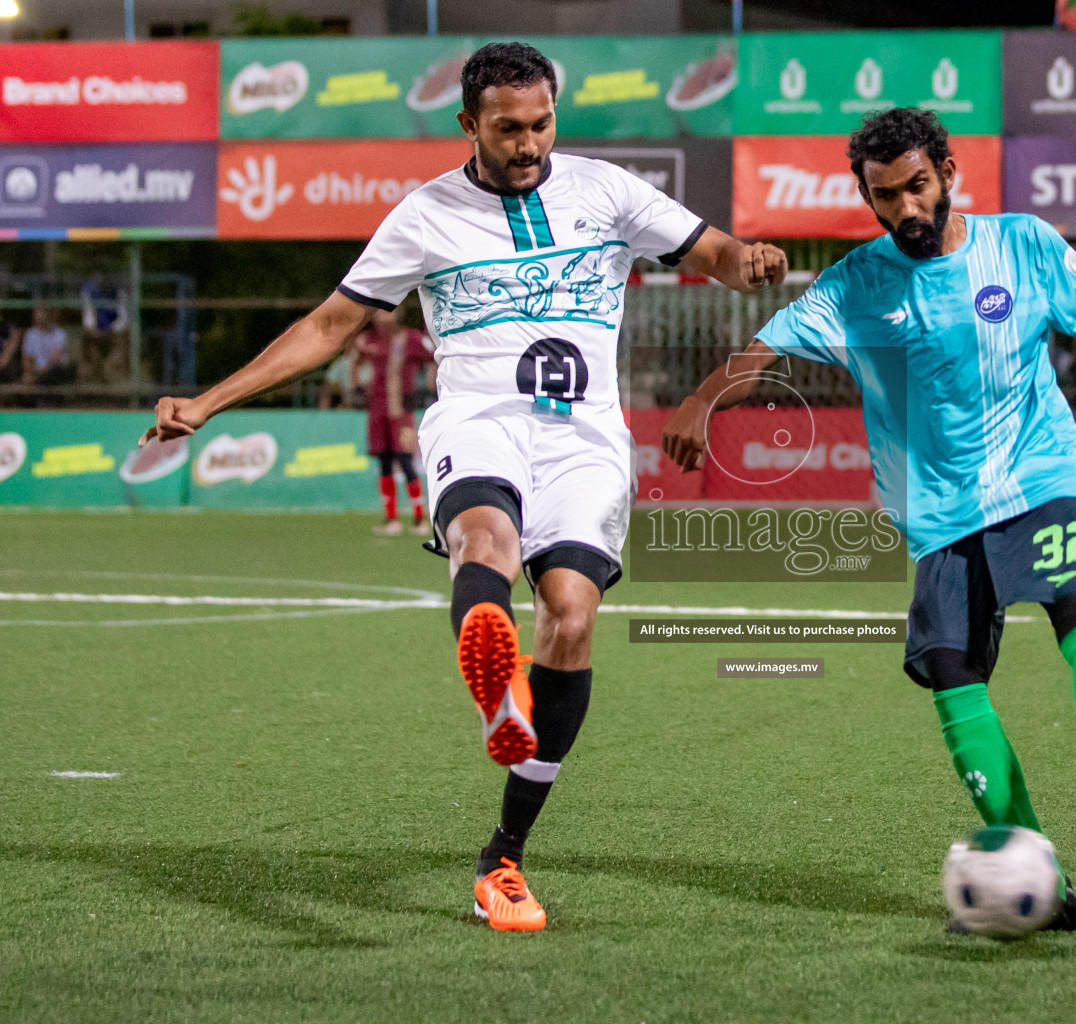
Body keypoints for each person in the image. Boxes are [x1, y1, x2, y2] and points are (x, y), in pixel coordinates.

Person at [142, 41, 787, 933]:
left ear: (556, 113)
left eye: (541, 123)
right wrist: (208, 402)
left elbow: (712, 250)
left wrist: (750, 260)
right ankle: (496, 692)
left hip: (585, 437)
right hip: (479, 419)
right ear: (469, 125)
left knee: (569, 616)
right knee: (486, 541)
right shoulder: (425, 214)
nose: (528, 144)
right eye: (507, 128)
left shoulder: (606, 191)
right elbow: (330, 326)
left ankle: (504, 859)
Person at [662, 108, 1076, 932]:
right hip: (940, 515)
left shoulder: (1024, 245)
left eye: (917, 186)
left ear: (947, 172)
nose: (906, 208)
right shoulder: (856, 282)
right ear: (866, 199)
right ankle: (1043, 879)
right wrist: (700, 400)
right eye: (886, 196)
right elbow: (766, 350)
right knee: (951, 674)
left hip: (1042, 477)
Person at [357, 305, 435, 535]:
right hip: (377, 411)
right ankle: (391, 518)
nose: (382, 317)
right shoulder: (369, 340)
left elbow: (434, 356)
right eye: (379, 313)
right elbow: (356, 360)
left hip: (402, 412)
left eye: (387, 312)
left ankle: (419, 518)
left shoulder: (410, 338)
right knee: (384, 462)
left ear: (397, 314)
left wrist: (429, 384)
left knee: (406, 461)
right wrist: (358, 385)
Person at [21, 304, 74, 395]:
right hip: (37, 372)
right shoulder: (30, 334)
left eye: (44, 312)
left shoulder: (59, 334)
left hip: (55, 371)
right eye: (38, 313)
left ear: (49, 315)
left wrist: (40, 371)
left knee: (51, 374)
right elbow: (27, 358)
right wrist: (32, 371)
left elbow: (55, 360)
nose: (41, 316)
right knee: (27, 378)